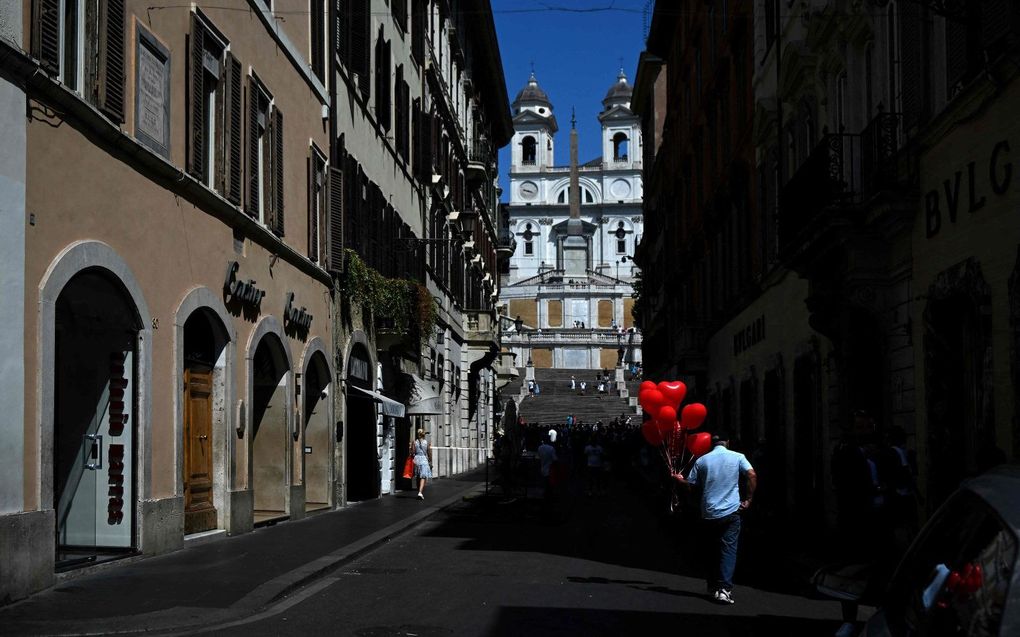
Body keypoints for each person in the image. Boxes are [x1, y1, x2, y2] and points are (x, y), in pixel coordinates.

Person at [677, 431, 756, 605]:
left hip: (709, 512)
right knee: (728, 550)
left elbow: (690, 486)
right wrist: (748, 499)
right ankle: (724, 589)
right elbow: (751, 475)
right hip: (731, 511)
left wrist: (679, 479)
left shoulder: (702, 460)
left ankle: (712, 585)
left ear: (711, 443)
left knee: (711, 550)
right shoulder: (738, 457)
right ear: (727, 441)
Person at [409, 429, 433, 500]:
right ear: (424, 434)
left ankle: (418, 491)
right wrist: (430, 461)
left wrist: (411, 448)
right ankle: (420, 492)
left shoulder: (414, 442)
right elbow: (429, 452)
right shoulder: (427, 442)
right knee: (423, 476)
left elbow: (413, 452)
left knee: (418, 476)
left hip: (416, 460)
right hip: (423, 460)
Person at [537, 433, 558, 497]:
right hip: (550, 469)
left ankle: (545, 495)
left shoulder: (540, 448)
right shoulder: (551, 448)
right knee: (549, 484)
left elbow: (539, 457)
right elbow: (555, 459)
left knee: (544, 483)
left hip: (542, 468)